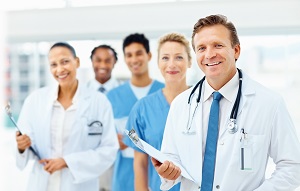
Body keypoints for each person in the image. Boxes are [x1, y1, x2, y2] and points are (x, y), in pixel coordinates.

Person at [151, 14, 300, 191]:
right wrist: (168, 172)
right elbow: (171, 157)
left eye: (218, 45)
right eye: (201, 48)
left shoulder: (269, 103)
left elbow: (292, 167)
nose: (209, 54)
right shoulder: (181, 104)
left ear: (236, 50)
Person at [15, 42, 119, 191]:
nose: (60, 69)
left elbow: (109, 149)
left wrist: (67, 162)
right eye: (53, 64)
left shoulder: (99, 101)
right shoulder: (35, 100)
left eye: (65, 62)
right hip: (43, 183)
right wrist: (21, 146)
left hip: (80, 185)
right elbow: (25, 147)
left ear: (76, 62)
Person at [124, 32, 191, 191]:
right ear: (158, 62)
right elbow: (140, 163)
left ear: (190, 62)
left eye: (179, 57)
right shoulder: (142, 108)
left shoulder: (204, 102)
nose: (172, 64)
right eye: (165, 58)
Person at [107, 33, 164, 191]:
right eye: (129, 55)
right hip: (124, 176)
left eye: (139, 53)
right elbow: (102, 139)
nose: (134, 60)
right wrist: (112, 141)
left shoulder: (165, 92)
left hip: (159, 174)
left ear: (149, 55)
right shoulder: (112, 97)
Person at [87, 44, 119, 191]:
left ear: (114, 63)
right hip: (89, 161)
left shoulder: (123, 93)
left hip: (117, 162)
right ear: (91, 61)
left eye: (108, 60)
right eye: (98, 60)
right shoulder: (80, 94)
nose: (102, 65)